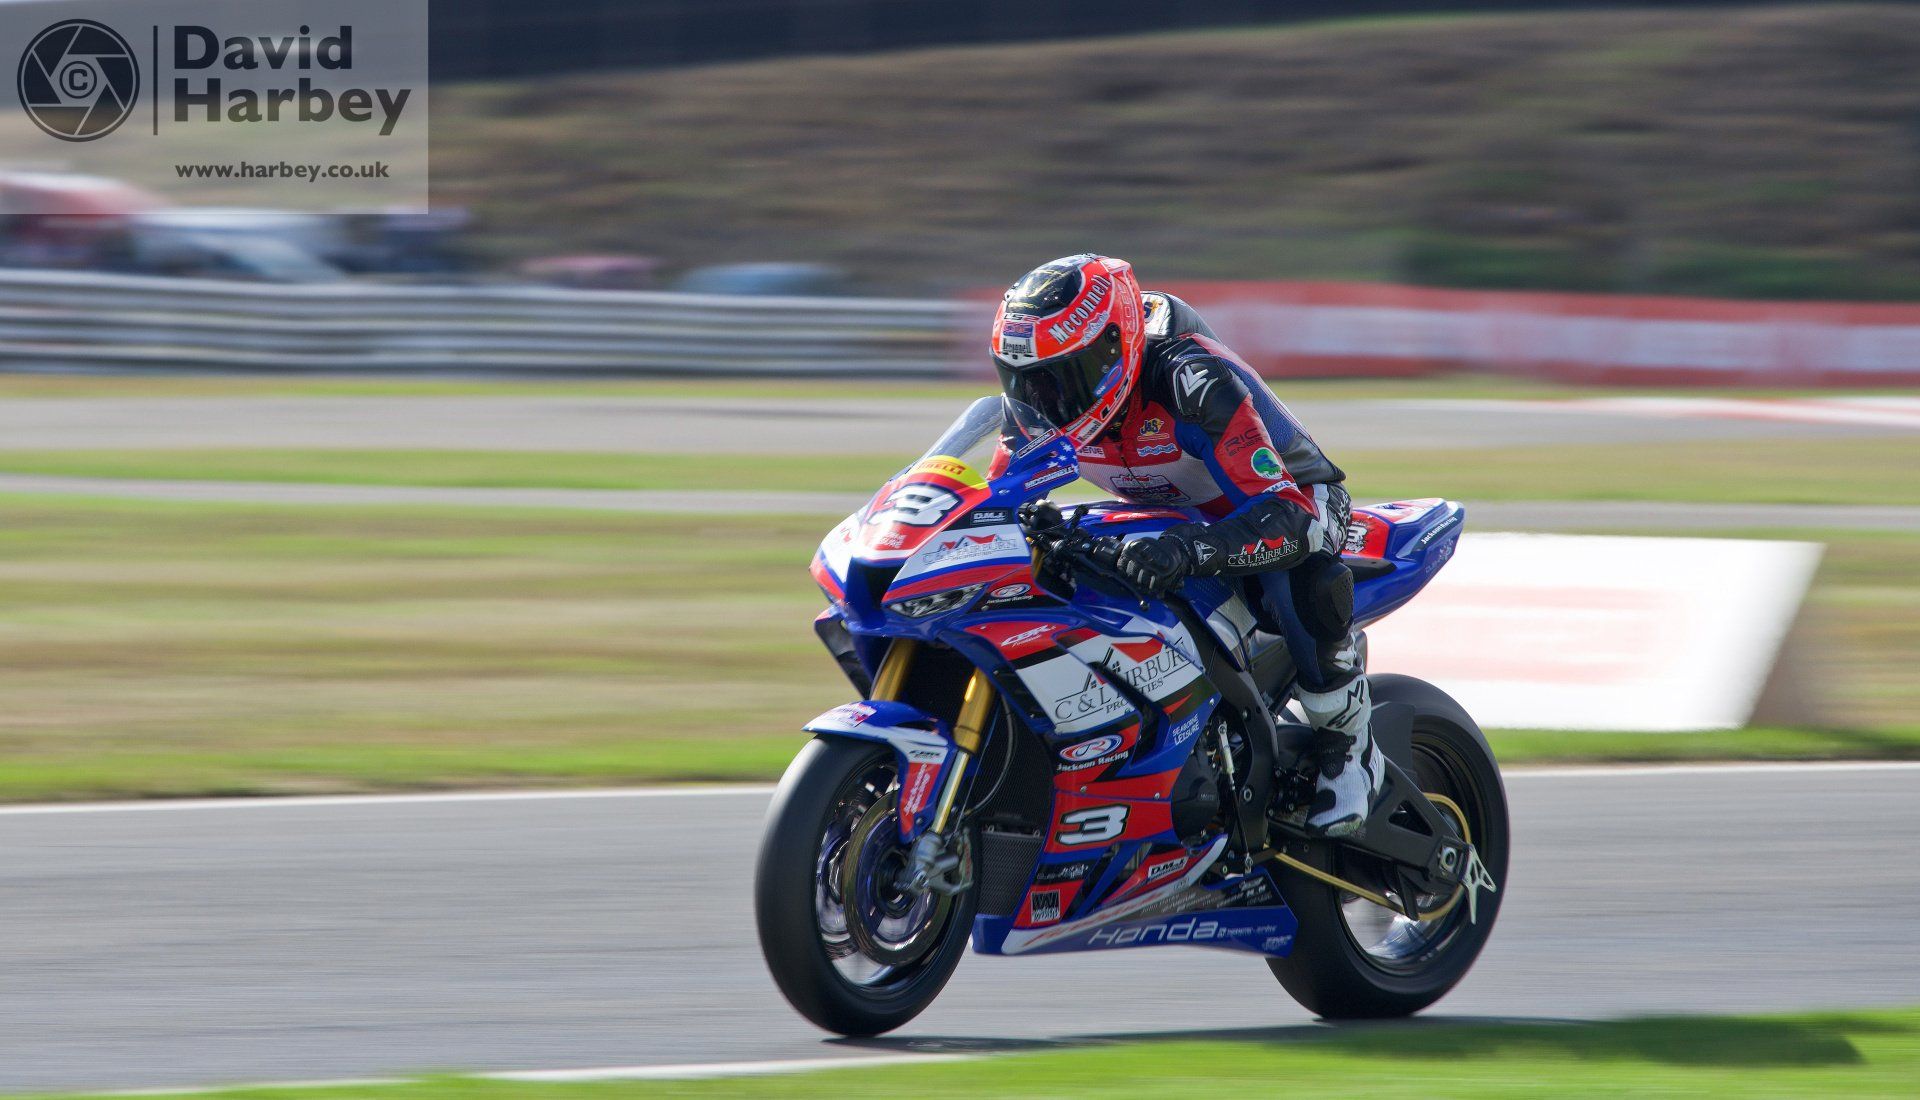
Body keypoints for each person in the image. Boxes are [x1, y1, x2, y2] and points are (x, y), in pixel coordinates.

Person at [991, 253, 1379, 837]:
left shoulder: (1188, 380)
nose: (1045, 399)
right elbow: (1001, 501)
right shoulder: (1036, 405)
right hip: (1166, 513)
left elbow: (1287, 514)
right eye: (1026, 380)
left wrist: (1191, 549)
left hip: (1284, 502)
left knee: (1299, 579)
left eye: (1062, 377)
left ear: (1115, 348)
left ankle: (1351, 747)